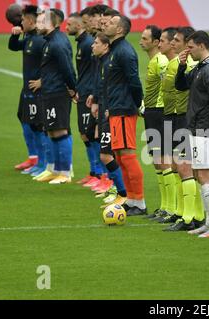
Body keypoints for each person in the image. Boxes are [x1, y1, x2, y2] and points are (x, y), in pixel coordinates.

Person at [175, 30, 209, 237]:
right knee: (199, 174)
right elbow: (180, 86)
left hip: (205, 127)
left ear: (202, 45)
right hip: (197, 127)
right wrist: (181, 65)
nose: (188, 50)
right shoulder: (200, 68)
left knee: (205, 175)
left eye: (191, 46)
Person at [162, 27, 205, 232]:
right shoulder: (179, 62)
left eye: (177, 41)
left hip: (185, 119)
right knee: (180, 167)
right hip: (175, 116)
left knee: (185, 167)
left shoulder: (193, 64)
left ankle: (191, 217)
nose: (173, 43)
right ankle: (187, 213)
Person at [104, 14, 146, 216]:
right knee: (120, 157)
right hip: (115, 108)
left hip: (124, 108)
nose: (107, 24)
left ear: (120, 30)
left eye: (112, 22)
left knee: (127, 156)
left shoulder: (125, 51)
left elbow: (134, 82)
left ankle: (140, 202)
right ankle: (131, 199)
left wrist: (138, 103)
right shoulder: (115, 50)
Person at [33, 9, 76, 184]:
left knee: (60, 130)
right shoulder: (49, 41)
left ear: (53, 23)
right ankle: (54, 169)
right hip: (49, 91)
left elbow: (67, 69)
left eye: (41, 21)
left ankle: (65, 173)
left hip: (57, 93)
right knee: (51, 130)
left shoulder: (58, 43)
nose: (38, 24)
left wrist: (73, 89)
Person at [67, 13, 105, 190]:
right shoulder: (84, 42)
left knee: (91, 134)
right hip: (83, 93)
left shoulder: (89, 43)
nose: (90, 24)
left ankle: (99, 174)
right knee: (85, 133)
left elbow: (94, 73)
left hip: (89, 95)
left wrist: (91, 93)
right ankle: (94, 172)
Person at [89, 32, 128, 208]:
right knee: (109, 154)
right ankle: (119, 191)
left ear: (105, 46)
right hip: (106, 110)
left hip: (112, 111)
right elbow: (102, 87)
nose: (92, 45)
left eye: (96, 42)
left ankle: (122, 193)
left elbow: (118, 87)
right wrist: (97, 100)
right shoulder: (102, 61)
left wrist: (108, 107)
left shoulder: (110, 62)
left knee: (107, 155)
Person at [9, 5, 46, 173]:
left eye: (23, 19)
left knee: (37, 125)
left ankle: (42, 163)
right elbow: (13, 47)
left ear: (30, 20)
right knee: (24, 119)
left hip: (37, 91)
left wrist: (43, 81)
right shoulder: (30, 37)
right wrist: (14, 35)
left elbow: (54, 63)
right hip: (27, 89)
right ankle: (33, 158)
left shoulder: (39, 40)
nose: (21, 21)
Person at [138, 25, 169, 219]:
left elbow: (169, 89)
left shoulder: (161, 61)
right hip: (151, 112)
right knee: (157, 161)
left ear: (156, 42)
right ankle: (164, 206)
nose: (141, 40)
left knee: (163, 160)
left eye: (145, 38)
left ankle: (170, 207)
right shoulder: (153, 60)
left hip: (159, 113)